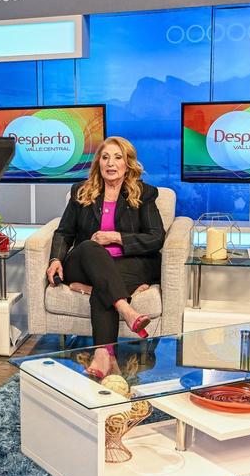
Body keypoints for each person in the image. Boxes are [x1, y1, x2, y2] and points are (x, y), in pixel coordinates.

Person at [45, 136, 165, 373]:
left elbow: (156, 237)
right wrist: (55, 259)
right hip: (87, 261)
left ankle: (104, 355)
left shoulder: (144, 193)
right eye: (105, 157)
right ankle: (126, 308)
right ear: (98, 162)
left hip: (128, 263)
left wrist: (115, 237)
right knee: (91, 247)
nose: (111, 163)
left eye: (118, 157)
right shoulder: (81, 191)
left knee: (104, 287)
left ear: (128, 163)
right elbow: (64, 232)